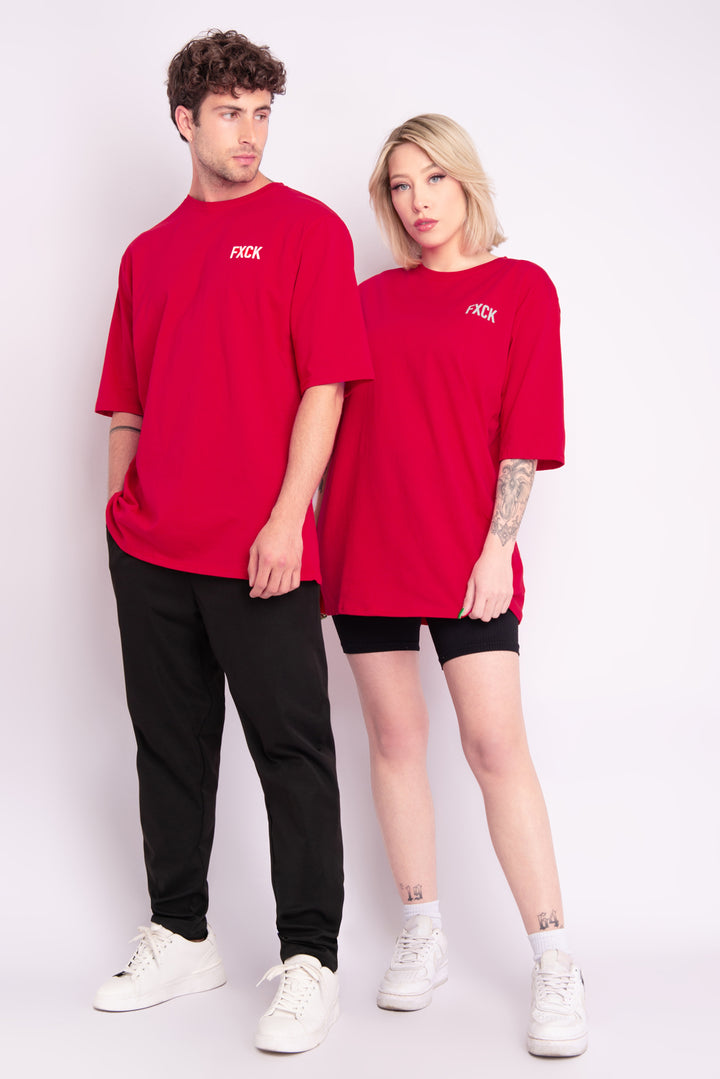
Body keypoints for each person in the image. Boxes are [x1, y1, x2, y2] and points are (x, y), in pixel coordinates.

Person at [93, 30, 372, 1054]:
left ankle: (311, 959)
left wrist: (289, 515)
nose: (250, 132)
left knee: (291, 752)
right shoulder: (147, 253)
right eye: (229, 113)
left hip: (262, 550)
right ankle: (180, 933)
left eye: (261, 113)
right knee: (169, 747)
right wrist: (119, 519)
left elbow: (325, 385)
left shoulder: (308, 231)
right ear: (185, 120)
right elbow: (126, 404)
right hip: (152, 551)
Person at [318, 114, 588, 1057]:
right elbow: (317, 414)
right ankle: (422, 929)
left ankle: (554, 956)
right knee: (395, 740)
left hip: (468, 558)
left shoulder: (520, 289)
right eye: (399, 185)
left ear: (465, 180)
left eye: (433, 177)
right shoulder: (364, 300)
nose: (418, 200)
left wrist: (495, 548)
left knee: (494, 745)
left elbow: (526, 433)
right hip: (365, 549)